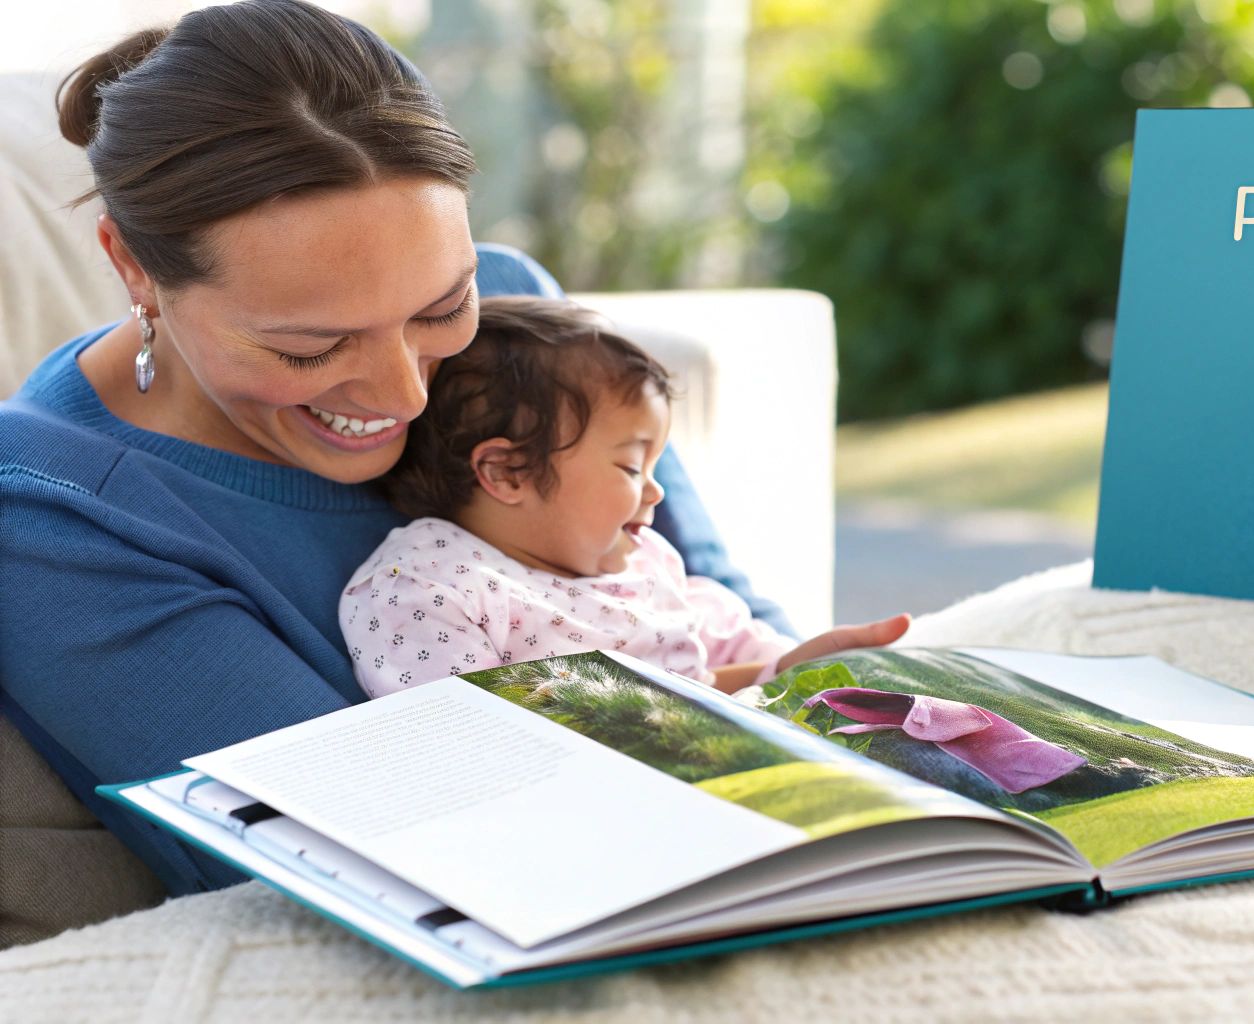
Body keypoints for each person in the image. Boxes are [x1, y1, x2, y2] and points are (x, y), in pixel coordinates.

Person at [0, 0, 891, 902]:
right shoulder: (48, 511)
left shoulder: (514, 320)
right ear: (134, 267)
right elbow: (359, 857)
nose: (404, 397)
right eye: (310, 347)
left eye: (438, 310)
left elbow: (707, 605)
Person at [343, 297, 907, 699]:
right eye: (632, 466)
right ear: (508, 471)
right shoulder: (427, 587)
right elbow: (469, 744)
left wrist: (792, 667)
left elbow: (698, 691)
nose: (656, 492)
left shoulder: (649, 568)